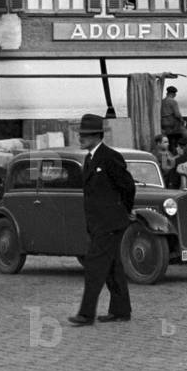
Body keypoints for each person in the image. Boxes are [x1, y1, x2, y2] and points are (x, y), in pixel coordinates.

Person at [69, 112, 135, 327]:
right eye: (81, 134)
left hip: (110, 223)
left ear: (98, 136)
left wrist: (122, 211)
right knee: (113, 267)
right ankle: (121, 310)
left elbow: (128, 187)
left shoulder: (110, 157)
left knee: (94, 267)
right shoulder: (89, 159)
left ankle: (86, 314)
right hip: (98, 224)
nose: (81, 138)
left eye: (85, 135)